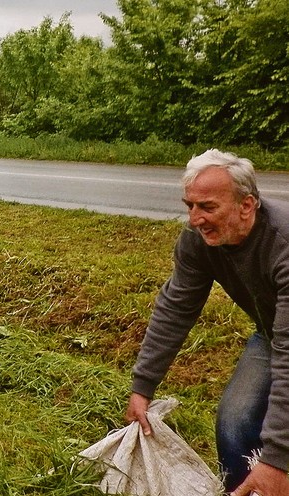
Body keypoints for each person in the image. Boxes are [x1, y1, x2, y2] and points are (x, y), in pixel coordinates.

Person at [126, 149, 289, 496]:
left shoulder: (283, 244)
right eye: (190, 205)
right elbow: (176, 308)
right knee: (236, 421)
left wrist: (277, 458)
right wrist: (143, 386)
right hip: (272, 333)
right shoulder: (197, 240)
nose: (195, 218)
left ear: (246, 206)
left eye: (207, 207)